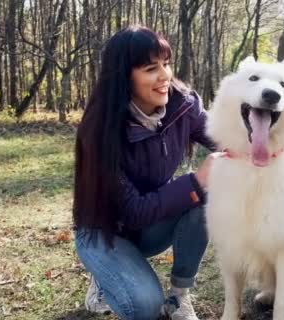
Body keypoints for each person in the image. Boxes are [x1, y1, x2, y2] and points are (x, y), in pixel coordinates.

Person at [73, 25, 220, 320]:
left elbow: (228, 139)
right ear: (124, 77)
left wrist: (273, 151)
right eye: (151, 68)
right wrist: (195, 182)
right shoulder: (100, 132)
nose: (165, 75)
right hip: (103, 231)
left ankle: (179, 297)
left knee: (205, 196)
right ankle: (105, 275)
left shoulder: (183, 105)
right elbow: (133, 211)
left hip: (149, 225)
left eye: (166, 64)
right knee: (144, 306)